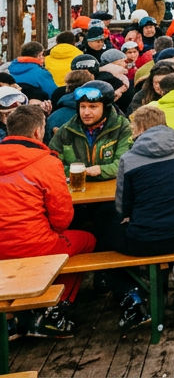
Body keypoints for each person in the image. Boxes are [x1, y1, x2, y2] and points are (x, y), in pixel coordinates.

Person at [0, 105, 95, 338]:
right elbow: (62, 220)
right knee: (87, 241)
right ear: (37, 132)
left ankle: (15, 317)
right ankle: (54, 311)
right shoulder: (46, 162)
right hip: (35, 244)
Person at [114, 106, 174, 326]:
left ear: (140, 128)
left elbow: (123, 208)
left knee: (102, 242)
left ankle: (134, 297)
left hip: (144, 240)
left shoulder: (129, 159)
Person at [49, 80, 133, 182]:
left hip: (110, 194)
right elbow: (52, 164)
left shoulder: (122, 127)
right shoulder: (67, 130)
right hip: (77, 193)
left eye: (93, 107)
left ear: (106, 108)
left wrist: (100, 170)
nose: (86, 112)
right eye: (82, 106)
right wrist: (81, 172)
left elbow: (125, 163)